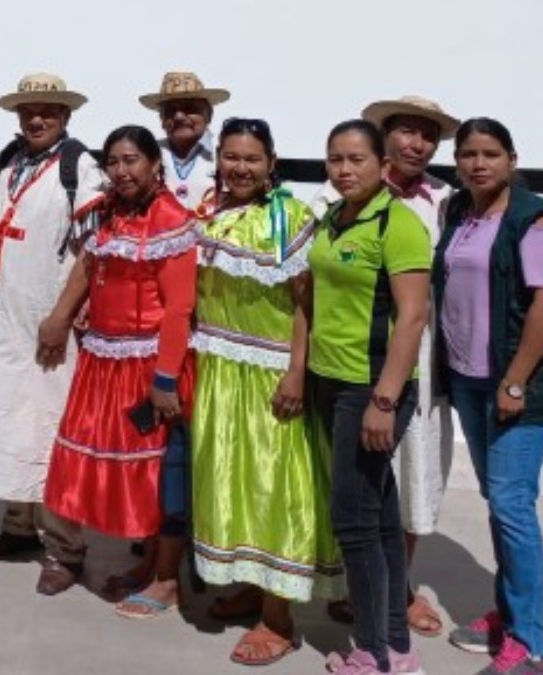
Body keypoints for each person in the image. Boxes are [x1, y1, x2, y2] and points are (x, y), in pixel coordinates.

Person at [188, 118, 342, 665]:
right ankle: (251, 590)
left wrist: (296, 371)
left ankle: (278, 619)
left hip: (270, 374)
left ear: (272, 162)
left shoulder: (292, 218)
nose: (240, 168)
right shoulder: (210, 212)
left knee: (273, 490)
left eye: (252, 158)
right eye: (231, 156)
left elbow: (308, 302)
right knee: (229, 484)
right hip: (220, 371)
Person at [314, 95, 461, 639]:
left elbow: (424, 304)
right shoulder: (334, 203)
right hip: (356, 363)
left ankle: (396, 598)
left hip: (417, 364)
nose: (416, 143)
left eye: (428, 134)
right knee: (368, 489)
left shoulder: (447, 202)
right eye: (406, 131)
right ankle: (372, 599)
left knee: (413, 477)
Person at [39, 125, 196, 617]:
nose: (122, 171)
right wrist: (61, 316)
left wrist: (166, 378)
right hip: (103, 360)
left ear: (155, 164)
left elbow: (178, 310)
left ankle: (165, 579)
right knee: (108, 464)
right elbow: (88, 266)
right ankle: (146, 567)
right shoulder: (106, 213)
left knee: (158, 475)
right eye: (114, 162)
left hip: (149, 364)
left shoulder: (171, 220)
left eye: (132, 161)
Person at [436, 118, 543, 675]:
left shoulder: (535, 220)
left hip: (520, 387)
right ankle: (509, 612)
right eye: (468, 153)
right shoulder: (460, 214)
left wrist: (515, 380)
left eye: (491, 153)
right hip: (470, 379)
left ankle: (530, 645)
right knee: (501, 501)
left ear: (512, 159)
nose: (478, 163)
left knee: (512, 505)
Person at [0, 72, 104, 596]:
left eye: (47, 110)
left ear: (65, 116)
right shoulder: (10, 161)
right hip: (4, 318)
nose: (36, 119)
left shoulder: (80, 167)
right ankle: (19, 526)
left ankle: (66, 548)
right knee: (8, 421)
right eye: (28, 111)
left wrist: (63, 315)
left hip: (48, 324)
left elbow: (92, 248)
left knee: (50, 429)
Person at [308, 120, 431, 675]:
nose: (344, 169)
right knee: (379, 519)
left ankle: (371, 655)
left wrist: (385, 399)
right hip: (332, 381)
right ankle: (396, 647)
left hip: (372, 386)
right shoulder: (334, 218)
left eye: (356, 159)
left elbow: (412, 315)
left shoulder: (398, 224)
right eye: (335, 159)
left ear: (383, 165)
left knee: (353, 522)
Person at [138, 71, 229, 218]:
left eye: (189, 108)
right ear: (161, 119)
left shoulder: (224, 154)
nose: (179, 116)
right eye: (170, 111)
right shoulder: (148, 153)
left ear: (208, 114)